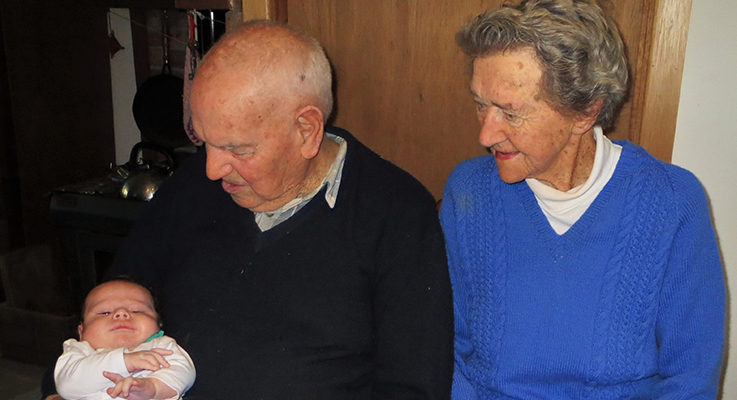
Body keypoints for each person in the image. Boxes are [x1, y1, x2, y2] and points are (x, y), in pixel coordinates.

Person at [44, 20, 453, 400]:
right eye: (204, 142)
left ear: (306, 130)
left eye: (236, 149)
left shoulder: (395, 212)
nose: (211, 169)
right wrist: (56, 390)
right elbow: (107, 308)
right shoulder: (194, 187)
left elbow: (413, 387)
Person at [440, 0, 725, 398]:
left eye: (511, 112)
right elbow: (445, 351)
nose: (485, 135)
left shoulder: (671, 202)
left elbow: (691, 378)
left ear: (585, 113)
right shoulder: (468, 192)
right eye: (480, 104)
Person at [54, 278, 195, 400]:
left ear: (158, 325)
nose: (121, 313)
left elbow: (183, 373)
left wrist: (152, 387)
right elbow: (67, 385)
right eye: (105, 312)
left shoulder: (162, 346)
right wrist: (125, 362)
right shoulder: (79, 351)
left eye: (137, 310)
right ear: (81, 331)